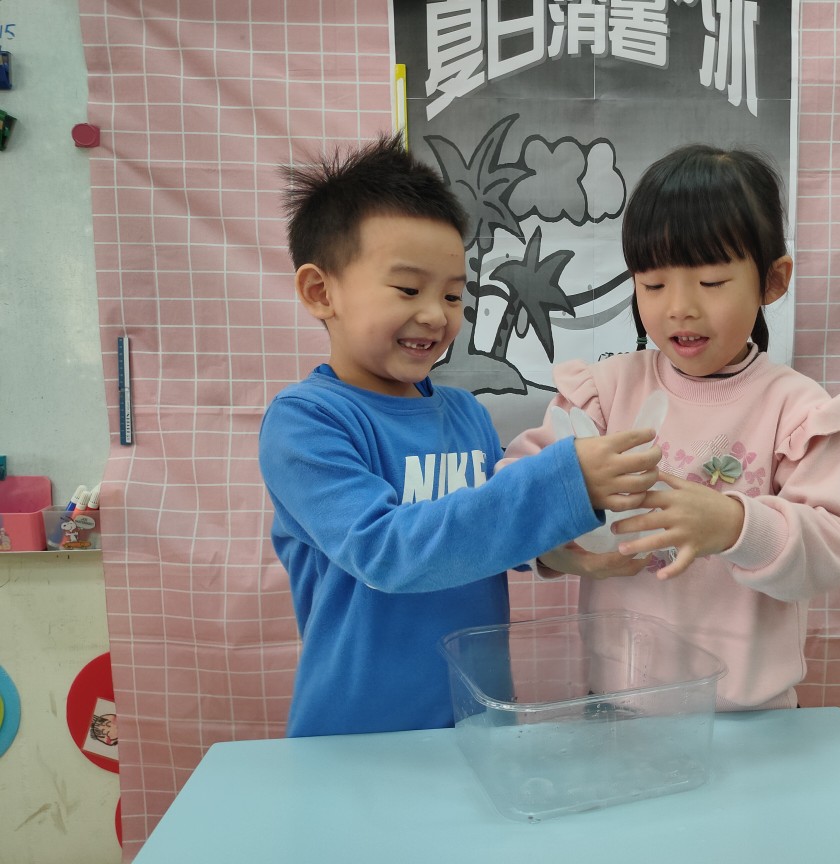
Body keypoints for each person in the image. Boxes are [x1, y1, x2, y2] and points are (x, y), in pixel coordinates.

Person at [259, 133, 660, 737]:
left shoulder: (465, 413)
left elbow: (486, 534)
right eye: (408, 289)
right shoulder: (307, 422)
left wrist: (560, 552)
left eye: (453, 293)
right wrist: (562, 481)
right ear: (321, 292)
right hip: (359, 735)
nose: (436, 314)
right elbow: (386, 552)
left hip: (479, 722)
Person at [503, 144, 840, 711]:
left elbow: (834, 551)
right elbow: (508, 500)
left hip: (749, 720)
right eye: (654, 285)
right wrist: (558, 552)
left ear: (772, 281)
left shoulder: (797, 411)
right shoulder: (602, 394)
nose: (679, 307)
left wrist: (734, 525)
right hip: (616, 707)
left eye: (712, 281)